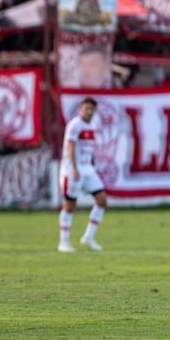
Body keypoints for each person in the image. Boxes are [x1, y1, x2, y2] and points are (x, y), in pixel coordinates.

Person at [58, 97, 107, 252]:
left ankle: (88, 237)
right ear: (81, 109)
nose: (89, 111)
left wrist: (91, 164)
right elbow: (70, 147)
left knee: (102, 200)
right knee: (70, 205)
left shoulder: (92, 125)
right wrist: (73, 168)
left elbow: (89, 148)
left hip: (87, 169)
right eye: (87, 108)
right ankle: (63, 242)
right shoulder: (75, 125)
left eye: (92, 109)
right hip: (73, 170)